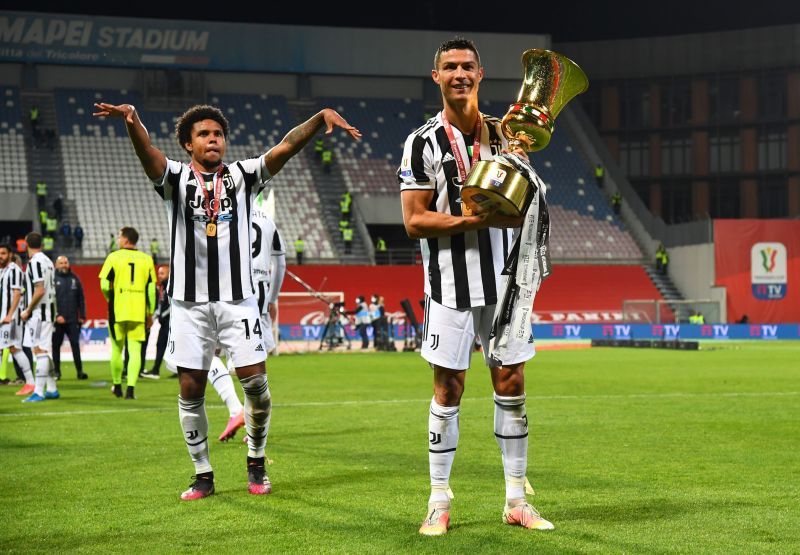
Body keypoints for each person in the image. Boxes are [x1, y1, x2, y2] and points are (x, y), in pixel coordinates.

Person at [92, 98, 360, 500]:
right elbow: (148, 153)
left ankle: (256, 459)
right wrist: (132, 121)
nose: (213, 139)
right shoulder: (175, 179)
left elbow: (284, 148)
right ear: (188, 143)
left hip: (239, 302)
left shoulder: (244, 175)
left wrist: (318, 119)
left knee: (257, 386)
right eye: (203, 134)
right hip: (188, 305)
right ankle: (202, 474)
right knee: (190, 387)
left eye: (218, 134)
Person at [399, 37, 554, 535]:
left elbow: (524, 203)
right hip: (450, 285)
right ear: (436, 77)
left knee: (512, 385)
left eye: (468, 66)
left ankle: (516, 499)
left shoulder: (507, 135)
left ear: (481, 74)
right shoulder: (422, 142)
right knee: (449, 388)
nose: (460, 74)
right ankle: (439, 501)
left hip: (506, 284)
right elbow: (414, 221)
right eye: (450, 67)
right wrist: (474, 222)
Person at [98, 227, 156, 400]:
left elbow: (103, 285)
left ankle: (117, 385)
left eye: (119, 236)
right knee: (135, 350)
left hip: (118, 310)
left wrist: (111, 297)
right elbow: (152, 290)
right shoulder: (147, 259)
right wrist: (150, 312)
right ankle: (130, 390)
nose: (117, 239)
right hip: (138, 311)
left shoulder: (113, 257)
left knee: (116, 349)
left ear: (125, 239)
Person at [19, 232, 59, 402]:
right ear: (41, 244)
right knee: (43, 350)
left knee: (39, 351)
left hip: (39, 313)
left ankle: (39, 391)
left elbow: (40, 289)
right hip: (48, 310)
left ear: (26, 244)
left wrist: (28, 310)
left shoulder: (34, 262)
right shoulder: (48, 261)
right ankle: (52, 388)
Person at [251, 193, 287, 356]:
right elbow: (280, 264)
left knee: (215, 350)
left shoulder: (229, 212)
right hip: (260, 291)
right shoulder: (268, 220)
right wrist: (272, 299)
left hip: (232, 287)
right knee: (257, 352)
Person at [0, 244, 35, 395]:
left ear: (10, 254)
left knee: (14, 348)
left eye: (3, 253)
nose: (0, 256)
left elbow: (16, 294)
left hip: (11, 318)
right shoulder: (2, 271)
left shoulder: (14, 270)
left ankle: (30, 382)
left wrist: (10, 314)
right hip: (3, 317)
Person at [53, 256, 88, 380]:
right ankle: (57, 372)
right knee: (56, 346)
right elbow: (50, 301)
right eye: (61, 263)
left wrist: (82, 316)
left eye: (65, 262)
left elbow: (81, 299)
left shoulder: (75, 279)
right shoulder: (52, 279)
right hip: (57, 321)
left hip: (73, 320)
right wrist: (56, 316)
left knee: (75, 345)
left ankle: (80, 372)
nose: (63, 265)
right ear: (56, 265)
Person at [141, 265, 171, 379]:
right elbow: (160, 304)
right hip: (164, 322)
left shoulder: (170, 286)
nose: (159, 276)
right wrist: (155, 316)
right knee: (161, 345)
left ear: (168, 274)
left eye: (162, 273)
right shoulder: (162, 287)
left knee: (162, 345)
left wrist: (161, 315)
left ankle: (156, 370)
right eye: (159, 273)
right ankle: (156, 370)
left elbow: (172, 304)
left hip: (169, 322)